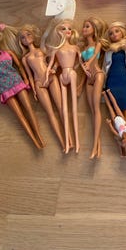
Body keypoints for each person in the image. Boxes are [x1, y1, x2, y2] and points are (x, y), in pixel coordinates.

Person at [0, 23, 44, 149]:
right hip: (5, 88)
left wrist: (26, 78)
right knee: (19, 116)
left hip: (17, 81)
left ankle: (39, 136)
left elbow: (20, 67)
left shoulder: (8, 53)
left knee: (29, 109)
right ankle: (34, 141)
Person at [19, 24, 65, 150]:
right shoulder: (25, 58)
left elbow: (55, 59)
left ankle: (69, 139)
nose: (26, 38)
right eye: (23, 37)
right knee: (50, 113)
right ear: (21, 42)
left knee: (61, 107)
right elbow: (29, 75)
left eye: (28, 34)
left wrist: (54, 68)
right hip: (39, 83)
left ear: (33, 35)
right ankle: (62, 143)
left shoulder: (42, 49)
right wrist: (34, 89)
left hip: (50, 77)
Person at [42, 20, 82, 154]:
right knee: (64, 109)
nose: (68, 31)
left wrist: (86, 71)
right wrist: (47, 75)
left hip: (72, 73)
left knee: (74, 108)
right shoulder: (56, 50)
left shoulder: (75, 48)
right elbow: (51, 66)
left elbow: (81, 62)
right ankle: (67, 143)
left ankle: (77, 143)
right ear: (58, 32)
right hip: (62, 76)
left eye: (69, 28)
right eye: (64, 29)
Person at [79, 16, 107, 159]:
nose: (84, 29)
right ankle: (98, 148)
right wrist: (80, 85)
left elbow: (95, 55)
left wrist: (88, 62)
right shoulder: (83, 48)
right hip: (88, 80)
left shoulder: (98, 43)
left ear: (94, 29)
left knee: (96, 109)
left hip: (98, 75)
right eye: (84, 26)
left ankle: (94, 147)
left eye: (87, 26)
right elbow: (83, 70)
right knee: (92, 112)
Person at [101, 21, 126, 122]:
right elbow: (104, 68)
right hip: (112, 83)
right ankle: (120, 131)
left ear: (122, 32)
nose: (114, 34)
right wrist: (103, 85)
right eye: (111, 33)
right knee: (116, 114)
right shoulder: (109, 51)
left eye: (117, 31)